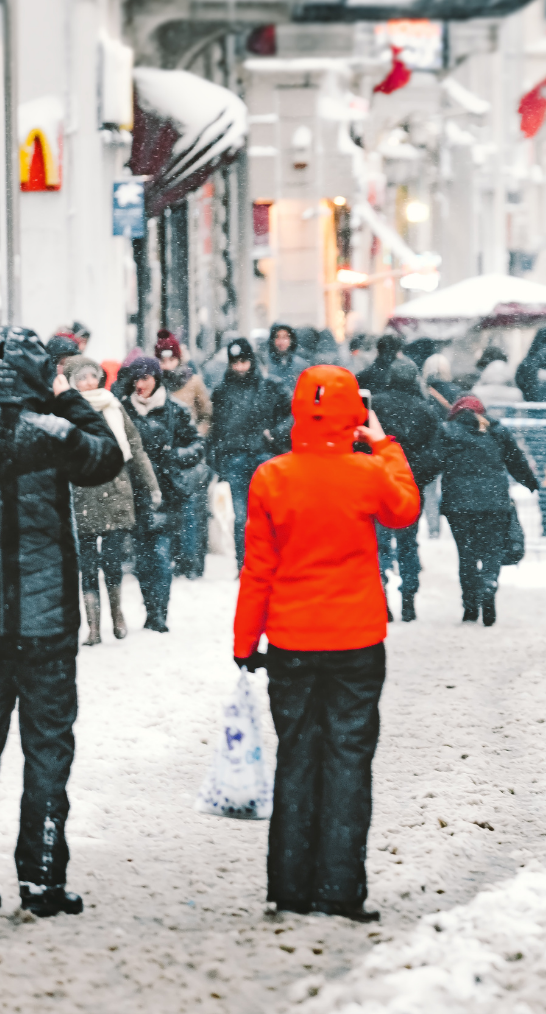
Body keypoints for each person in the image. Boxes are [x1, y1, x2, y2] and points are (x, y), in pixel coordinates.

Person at [0, 327, 123, 914]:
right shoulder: (55, 436)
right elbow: (107, 457)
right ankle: (40, 873)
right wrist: (65, 397)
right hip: (45, 621)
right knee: (47, 746)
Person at [233, 365, 418, 920]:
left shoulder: (271, 477)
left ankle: (290, 887)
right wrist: (383, 444)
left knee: (296, 756)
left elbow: (258, 567)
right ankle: (340, 889)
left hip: (291, 640)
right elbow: (405, 509)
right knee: (348, 759)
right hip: (356, 640)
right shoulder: (367, 473)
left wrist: (245, 640)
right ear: (354, 414)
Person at [65, 357, 161, 645]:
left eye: (91, 376)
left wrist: (152, 486)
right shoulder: (67, 410)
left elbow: (135, 448)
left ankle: (117, 615)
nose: (88, 383)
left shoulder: (113, 406)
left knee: (113, 560)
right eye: (81, 378)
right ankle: (93, 626)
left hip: (116, 490)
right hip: (81, 492)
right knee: (87, 565)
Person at [435, 395, 540, 625]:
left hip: (459, 504)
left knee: (467, 554)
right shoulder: (496, 431)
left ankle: (470, 607)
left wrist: (413, 480)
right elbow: (516, 460)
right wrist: (530, 482)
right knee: (492, 550)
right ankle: (489, 582)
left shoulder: (447, 432)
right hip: (494, 502)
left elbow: (432, 462)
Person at [122, 356, 206, 632]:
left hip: (166, 492)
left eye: (145, 378)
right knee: (142, 558)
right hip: (135, 493)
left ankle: (159, 614)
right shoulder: (124, 410)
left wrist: (175, 456)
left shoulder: (174, 410)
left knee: (159, 555)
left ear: (156, 379)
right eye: (136, 379)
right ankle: (150, 609)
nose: (140, 384)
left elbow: (197, 445)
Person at [367, 355, 440, 622]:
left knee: (380, 544)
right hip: (411, 486)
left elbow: (363, 443)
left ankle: (382, 595)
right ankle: (409, 597)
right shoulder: (425, 410)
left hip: (379, 483)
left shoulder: (376, 406)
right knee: (408, 543)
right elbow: (435, 453)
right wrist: (418, 477)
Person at [210, 338, 292, 574]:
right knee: (241, 517)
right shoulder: (222, 390)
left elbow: (292, 413)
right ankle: (245, 564)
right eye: (235, 362)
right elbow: (216, 427)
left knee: (268, 514)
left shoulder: (271, 386)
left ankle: (268, 561)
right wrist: (219, 458)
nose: (240, 367)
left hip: (264, 456)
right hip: (235, 458)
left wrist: (274, 435)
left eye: (243, 361)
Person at [156, 331, 213, 579]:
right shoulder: (155, 383)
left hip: (189, 455)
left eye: (171, 359)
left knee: (192, 513)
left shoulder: (193, 382)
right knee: (171, 512)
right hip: (164, 457)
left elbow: (206, 414)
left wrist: (197, 436)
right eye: (163, 360)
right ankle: (174, 560)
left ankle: (191, 562)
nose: (167, 365)